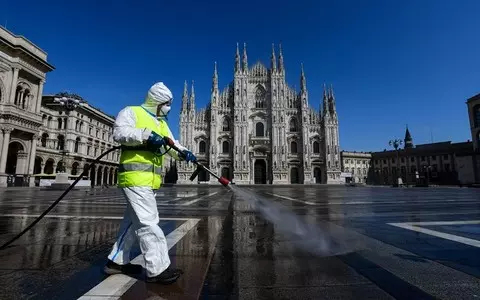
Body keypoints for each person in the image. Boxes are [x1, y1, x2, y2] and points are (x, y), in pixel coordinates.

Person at [103, 82, 197, 284]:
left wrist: (185, 153)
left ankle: (116, 261)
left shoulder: (161, 123)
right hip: (134, 178)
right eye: (167, 103)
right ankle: (157, 269)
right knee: (148, 223)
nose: (168, 108)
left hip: (149, 181)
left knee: (131, 223)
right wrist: (145, 136)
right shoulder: (132, 112)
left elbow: (172, 144)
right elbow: (119, 133)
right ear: (157, 101)